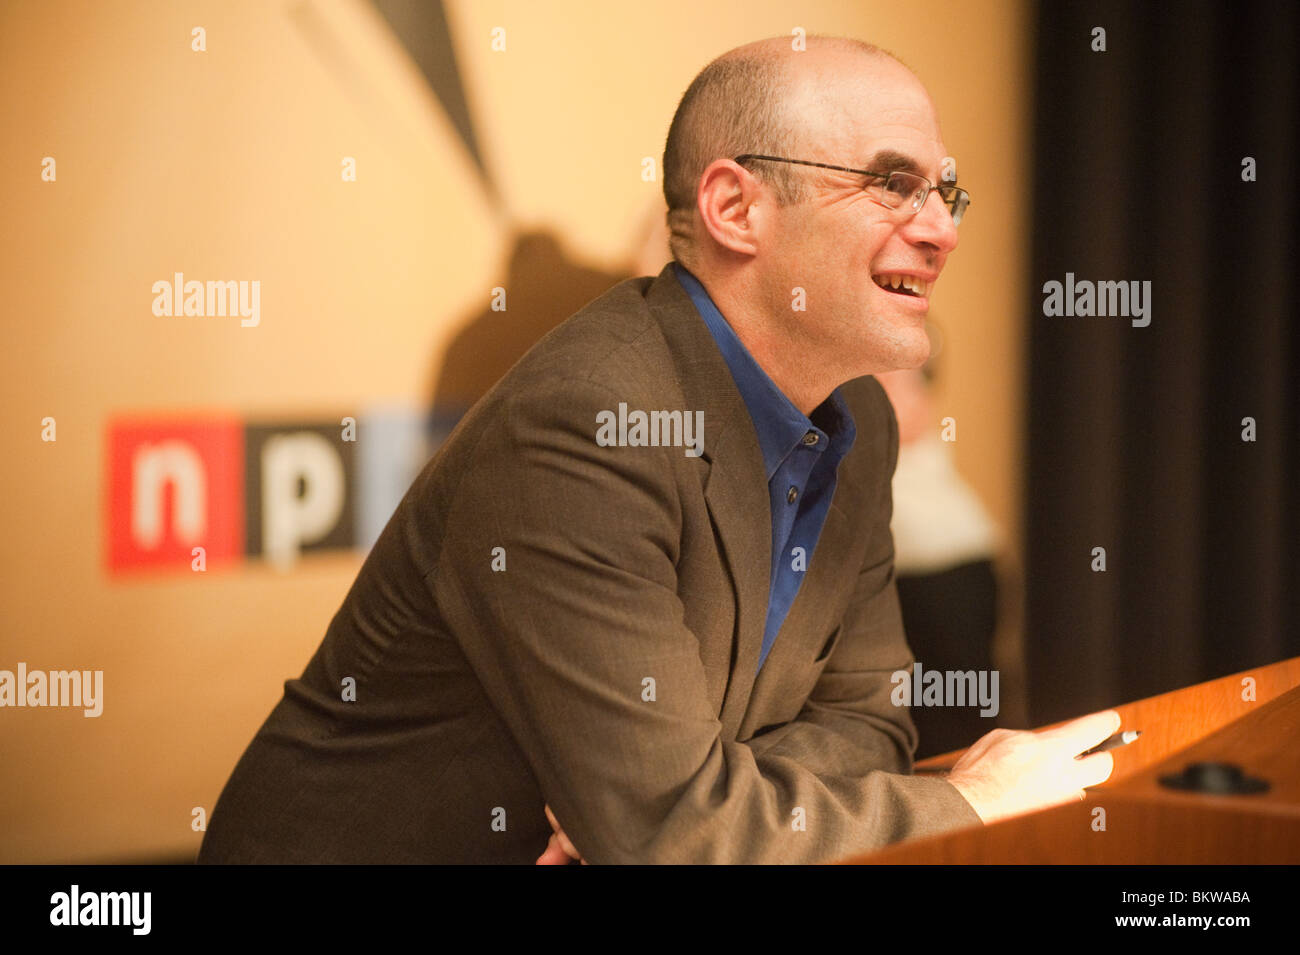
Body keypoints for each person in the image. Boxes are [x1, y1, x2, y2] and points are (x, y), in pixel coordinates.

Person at [198, 35, 1118, 866]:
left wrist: (688, 807)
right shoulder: (586, 423)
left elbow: (867, 726)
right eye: (891, 183)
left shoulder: (861, 420)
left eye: (943, 191)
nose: (942, 228)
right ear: (733, 206)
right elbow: (675, 837)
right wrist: (970, 801)